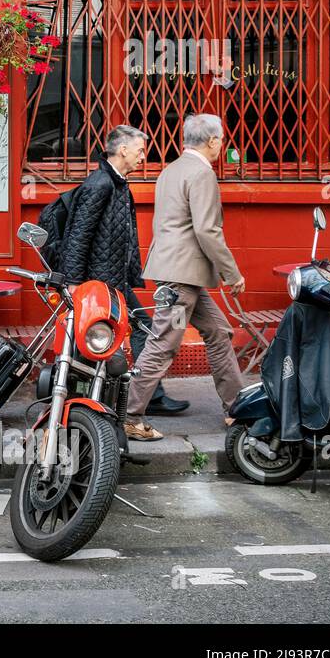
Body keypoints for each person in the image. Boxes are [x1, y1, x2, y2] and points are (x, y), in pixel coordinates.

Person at [124, 113, 246, 441]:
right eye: (221, 139)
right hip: (181, 282)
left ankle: (237, 407)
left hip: (181, 277)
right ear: (212, 141)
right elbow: (207, 229)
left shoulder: (171, 170)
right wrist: (231, 273)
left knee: (219, 331)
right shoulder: (202, 174)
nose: (222, 144)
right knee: (164, 342)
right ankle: (130, 415)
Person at [61, 125, 189, 416]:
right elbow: (79, 235)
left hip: (114, 279)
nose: (143, 156)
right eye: (140, 150)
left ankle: (143, 394)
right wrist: (73, 282)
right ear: (123, 150)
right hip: (101, 283)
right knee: (128, 333)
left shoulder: (117, 183)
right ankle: (128, 397)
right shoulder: (100, 185)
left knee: (140, 328)